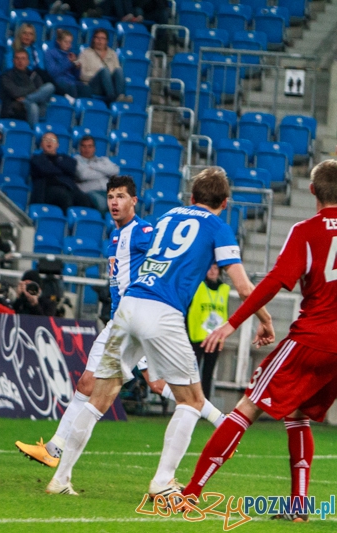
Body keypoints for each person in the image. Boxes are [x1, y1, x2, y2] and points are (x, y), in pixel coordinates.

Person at [44, 168, 274, 497]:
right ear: (224, 203)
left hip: (129, 305)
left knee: (98, 399)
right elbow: (243, 287)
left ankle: (61, 479)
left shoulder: (165, 218)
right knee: (191, 401)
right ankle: (163, 481)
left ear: (192, 198)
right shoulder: (218, 227)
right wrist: (265, 319)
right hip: (163, 312)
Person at [15, 175, 225, 470]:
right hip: (129, 320)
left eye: (121, 196)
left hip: (132, 318)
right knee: (154, 383)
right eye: (111, 196)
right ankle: (222, 421)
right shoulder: (116, 236)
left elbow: (167, 255)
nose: (115, 202)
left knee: (89, 384)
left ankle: (55, 450)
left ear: (134, 201)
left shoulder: (142, 231)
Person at [181, 160, 337, 522]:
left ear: (312, 191)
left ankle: (190, 494)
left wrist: (233, 323)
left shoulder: (306, 230)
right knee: (297, 415)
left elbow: (275, 281)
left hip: (311, 338)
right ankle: (298, 507)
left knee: (247, 407)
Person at [186, 263, 229, 400]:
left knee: (208, 374)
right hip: (196, 336)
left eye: (215, 268)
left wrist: (223, 336)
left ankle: (204, 405)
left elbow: (225, 314)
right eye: (209, 267)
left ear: (219, 271)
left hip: (214, 338)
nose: (212, 271)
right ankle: (189, 401)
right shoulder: (198, 286)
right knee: (193, 373)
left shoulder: (224, 289)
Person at [30, 133, 94, 211]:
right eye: (46, 140)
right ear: (41, 144)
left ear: (57, 144)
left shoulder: (65, 158)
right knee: (64, 196)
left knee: (85, 198)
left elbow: (71, 168)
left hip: (69, 187)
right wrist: (62, 169)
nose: (49, 142)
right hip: (47, 189)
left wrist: (54, 165)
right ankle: (66, 221)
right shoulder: (37, 159)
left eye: (53, 140)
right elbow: (46, 170)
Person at [0, 50, 55, 128]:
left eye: (23, 59)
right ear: (13, 61)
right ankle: (32, 135)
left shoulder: (34, 75)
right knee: (33, 106)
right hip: (16, 107)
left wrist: (26, 97)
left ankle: (28, 99)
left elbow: (41, 92)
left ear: (28, 62)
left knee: (50, 86)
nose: (20, 61)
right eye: (17, 58)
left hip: (35, 104)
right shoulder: (7, 76)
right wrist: (33, 90)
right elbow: (16, 92)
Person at [78, 29, 129, 105]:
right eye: (97, 38)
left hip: (110, 85)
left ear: (106, 41)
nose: (99, 41)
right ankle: (114, 100)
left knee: (119, 70)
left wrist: (107, 78)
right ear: (93, 39)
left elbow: (116, 73)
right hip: (94, 85)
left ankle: (120, 96)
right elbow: (81, 75)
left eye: (102, 38)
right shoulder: (86, 53)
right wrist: (98, 75)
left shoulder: (112, 54)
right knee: (104, 71)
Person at [74, 135, 120, 213]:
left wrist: (93, 166)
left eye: (90, 146)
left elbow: (115, 170)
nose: (87, 149)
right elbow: (84, 175)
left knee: (131, 205)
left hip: (108, 190)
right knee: (103, 205)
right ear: (80, 148)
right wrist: (105, 173)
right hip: (90, 191)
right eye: (84, 146)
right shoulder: (76, 160)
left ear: (94, 148)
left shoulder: (103, 160)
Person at [44, 29, 91, 100]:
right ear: (58, 41)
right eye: (65, 42)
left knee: (86, 89)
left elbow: (76, 76)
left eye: (70, 42)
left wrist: (77, 68)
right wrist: (68, 62)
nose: (68, 45)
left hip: (72, 81)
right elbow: (52, 72)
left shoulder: (71, 55)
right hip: (58, 81)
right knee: (71, 86)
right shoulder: (50, 53)